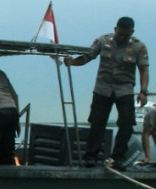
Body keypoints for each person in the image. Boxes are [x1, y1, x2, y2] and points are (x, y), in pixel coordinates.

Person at [64, 16, 150, 171]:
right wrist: (73, 62)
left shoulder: (139, 47)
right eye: (120, 34)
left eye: (126, 35)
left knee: (126, 124)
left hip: (124, 89)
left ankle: (118, 158)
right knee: (97, 122)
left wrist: (143, 92)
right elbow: (87, 56)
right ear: (115, 29)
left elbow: (144, 69)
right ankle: (91, 157)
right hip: (102, 88)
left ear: (132, 32)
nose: (123, 37)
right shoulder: (103, 41)